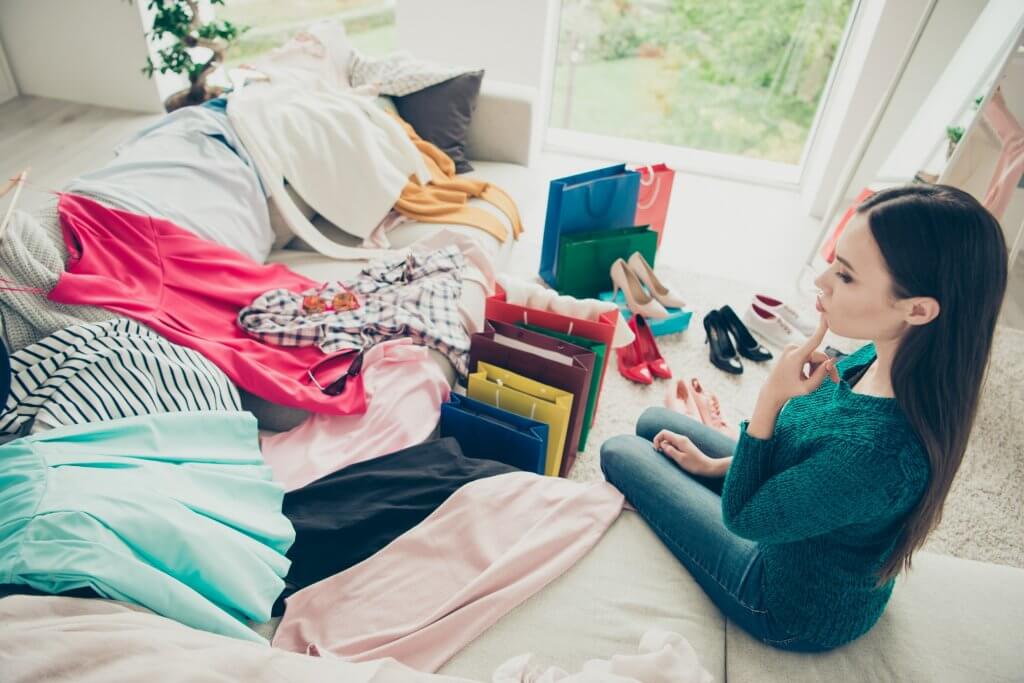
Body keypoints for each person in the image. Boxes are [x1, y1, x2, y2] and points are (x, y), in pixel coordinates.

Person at [600, 184, 1008, 651]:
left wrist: (771, 397)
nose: (823, 281)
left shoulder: (877, 454)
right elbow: (803, 456)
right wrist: (714, 468)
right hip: (796, 523)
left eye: (847, 277)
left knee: (621, 452)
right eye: (835, 262)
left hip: (787, 602)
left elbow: (744, 516)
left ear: (918, 310)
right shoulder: (885, 355)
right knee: (653, 420)